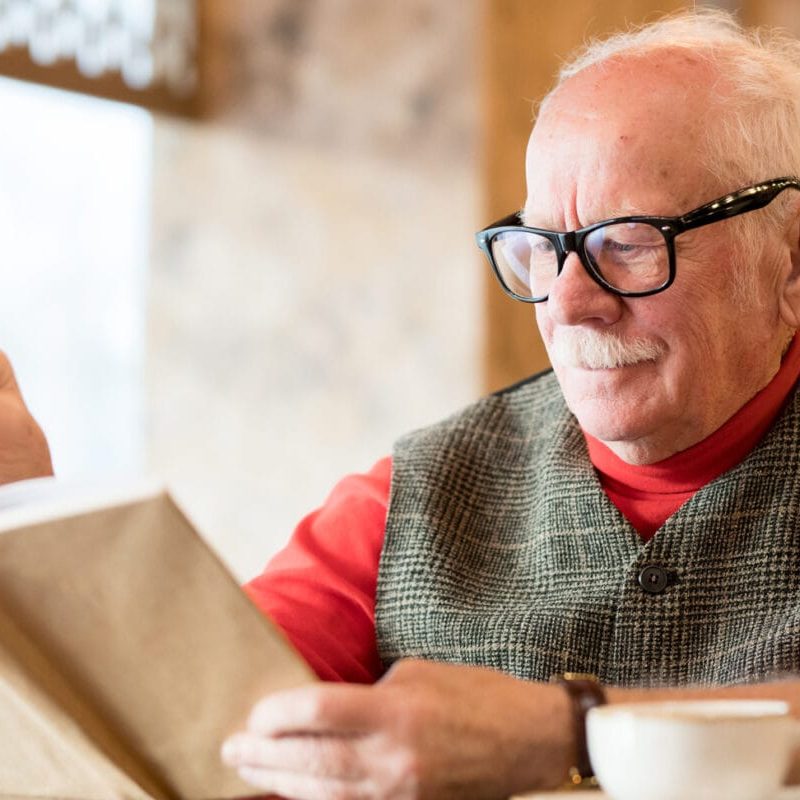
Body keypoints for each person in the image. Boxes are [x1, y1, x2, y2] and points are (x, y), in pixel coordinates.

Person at [6, 8, 800, 799]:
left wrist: (573, 731)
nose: (567, 302)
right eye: (540, 249)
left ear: (789, 262)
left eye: (625, 243)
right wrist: (30, 527)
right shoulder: (414, 496)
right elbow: (194, 727)